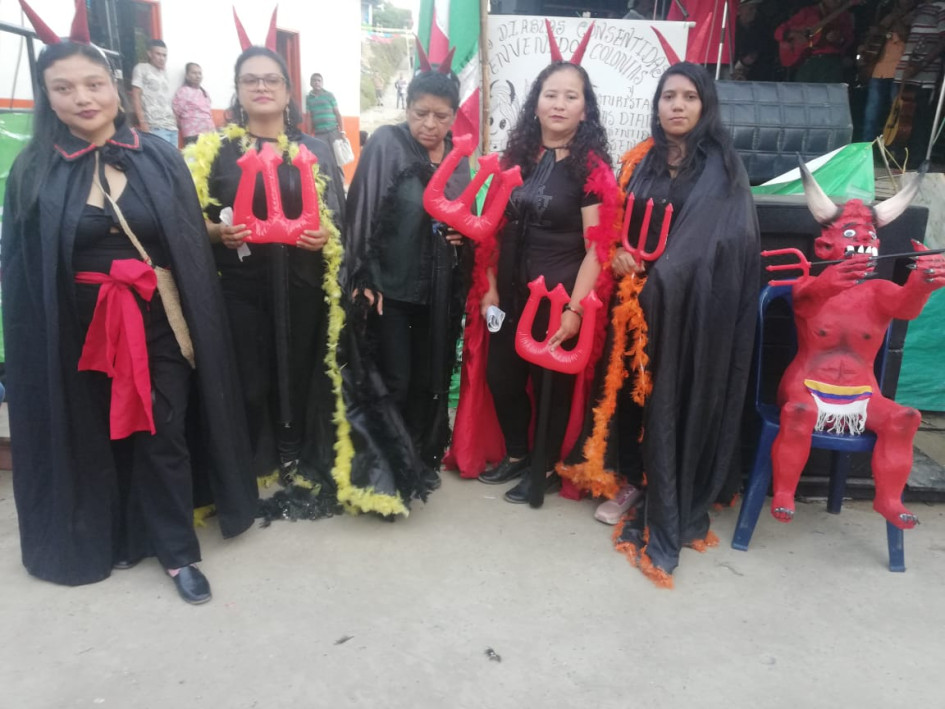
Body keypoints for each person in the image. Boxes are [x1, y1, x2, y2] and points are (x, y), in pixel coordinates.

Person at [2, 2, 257, 604]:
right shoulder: (33, 170)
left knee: (162, 431)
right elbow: (23, 264)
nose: (82, 98)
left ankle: (176, 551)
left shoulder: (158, 155)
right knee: (92, 430)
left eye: (93, 84)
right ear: (47, 98)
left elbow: (187, 240)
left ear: (115, 87)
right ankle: (112, 534)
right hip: (77, 325)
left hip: (157, 319)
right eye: (63, 88)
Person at [600, 62, 759, 587]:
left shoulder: (722, 167)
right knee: (634, 396)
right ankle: (636, 479)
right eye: (668, 96)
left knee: (676, 396)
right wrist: (619, 253)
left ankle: (668, 487)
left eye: (689, 97)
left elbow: (724, 241)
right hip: (636, 306)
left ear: (704, 104)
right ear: (657, 104)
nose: (677, 105)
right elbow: (616, 224)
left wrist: (665, 278)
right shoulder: (641, 162)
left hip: (693, 309)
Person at [187, 42, 357, 520]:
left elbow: (339, 218)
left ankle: (300, 454)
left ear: (287, 91)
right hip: (241, 285)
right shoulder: (214, 151)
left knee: (304, 371)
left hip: (304, 284)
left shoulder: (315, 149)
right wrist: (218, 233)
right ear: (238, 90)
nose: (261, 87)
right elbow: (189, 220)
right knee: (249, 378)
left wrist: (326, 235)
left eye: (271, 80)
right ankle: (256, 460)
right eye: (250, 80)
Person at [448, 48, 620, 504]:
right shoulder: (516, 157)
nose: (559, 104)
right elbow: (492, 228)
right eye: (550, 94)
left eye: (571, 96)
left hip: (557, 296)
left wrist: (575, 310)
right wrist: (488, 286)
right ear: (536, 102)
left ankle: (543, 467)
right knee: (502, 378)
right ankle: (519, 454)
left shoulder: (591, 170)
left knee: (551, 389)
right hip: (507, 295)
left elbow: (597, 249)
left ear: (585, 110)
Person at [344, 59, 471, 486]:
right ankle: (385, 470)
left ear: (453, 116)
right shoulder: (387, 143)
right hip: (390, 288)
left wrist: (463, 235)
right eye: (421, 113)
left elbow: (468, 216)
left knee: (428, 380)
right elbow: (361, 212)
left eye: (441, 116)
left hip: (439, 290)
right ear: (407, 107)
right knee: (393, 380)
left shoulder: (459, 158)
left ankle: (417, 460)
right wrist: (362, 278)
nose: (430, 124)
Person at [892, 0, 945, 161]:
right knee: (899, 117)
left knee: (919, 118)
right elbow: (904, 35)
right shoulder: (918, 8)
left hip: (924, 73)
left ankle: (915, 158)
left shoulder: (941, 7)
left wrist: (921, 64)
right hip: (905, 70)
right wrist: (898, 15)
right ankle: (898, 156)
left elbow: (943, 41)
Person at [859, 0, 914, 141]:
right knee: (871, 113)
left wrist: (890, 27)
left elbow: (906, 36)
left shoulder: (916, 14)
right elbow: (876, 33)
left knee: (896, 114)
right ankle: (866, 146)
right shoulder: (888, 13)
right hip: (879, 68)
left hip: (900, 70)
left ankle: (891, 147)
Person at [774, 0, 854, 82]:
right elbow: (779, 32)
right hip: (806, 62)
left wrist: (839, 39)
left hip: (830, 63)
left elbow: (848, 40)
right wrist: (794, 34)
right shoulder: (808, 12)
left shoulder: (845, 16)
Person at [131, 39, 178, 145]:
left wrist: (174, 120)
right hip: (155, 126)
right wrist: (142, 122)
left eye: (164, 55)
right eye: (158, 54)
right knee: (160, 155)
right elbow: (136, 96)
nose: (162, 58)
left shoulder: (165, 73)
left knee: (173, 156)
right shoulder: (141, 68)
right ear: (149, 54)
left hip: (171, 126)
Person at [172, 62, 215, 145]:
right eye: (194, 73)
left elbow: (209, 114)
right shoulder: (183, 91)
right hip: (192, 134)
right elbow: (176, 113)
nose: (197, 76)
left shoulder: (204, 92)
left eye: (199, 73)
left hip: (209, 133)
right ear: (187, 76)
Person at [305, 72, 344, 143]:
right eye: (314, 80)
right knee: (321, 150)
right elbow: (309, 117)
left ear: (322, 83)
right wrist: (309, 135)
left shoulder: (329, 95)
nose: (317, 82)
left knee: (336, 150)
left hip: (333, 132)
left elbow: (337, 113)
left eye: (319, 81)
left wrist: (342, 131)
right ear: (310, 83)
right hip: (319, 134)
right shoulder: (308, 98)